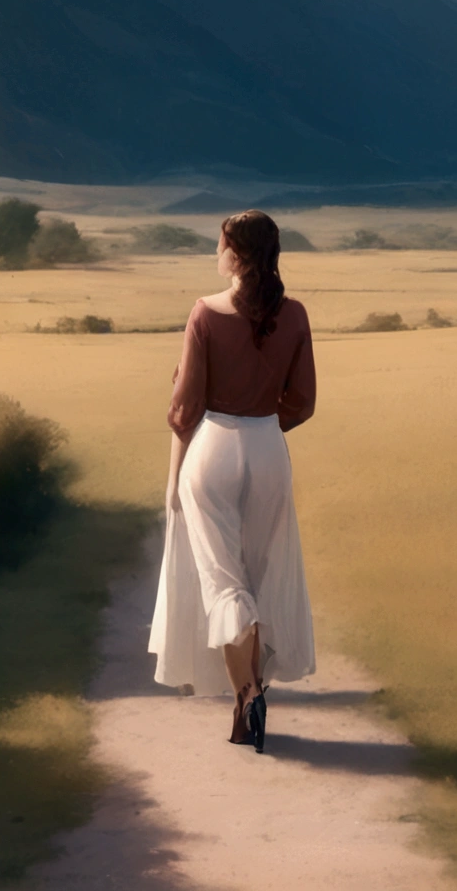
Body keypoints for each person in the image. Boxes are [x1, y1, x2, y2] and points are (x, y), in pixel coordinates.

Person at [148, 210, 316, 751]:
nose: (215, 253)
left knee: (223, 583)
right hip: (268, 448)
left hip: (213, 448)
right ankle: (253, 703)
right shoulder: (294, 315)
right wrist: (264, 421)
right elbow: (304, 402)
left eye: (219, 245)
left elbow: (185, 410)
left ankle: (246, 694)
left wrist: (173, 480)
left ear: (237, 254)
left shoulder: (205, 313)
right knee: (260, 579)